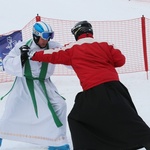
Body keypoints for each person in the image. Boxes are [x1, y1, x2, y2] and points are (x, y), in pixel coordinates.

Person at [27, 20, 150, 150]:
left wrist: (31, 54)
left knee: (77, 119)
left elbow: (52, 55)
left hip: (94, 90)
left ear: (77, 33)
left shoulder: (72, 48)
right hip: (116, 88)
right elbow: (120, 60)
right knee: (127, 119)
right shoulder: (105, 44)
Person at [0, 21, 70, 150]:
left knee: (60, 105)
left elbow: (67, 57)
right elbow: (7, 64)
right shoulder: (22, 46)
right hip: (24, 85)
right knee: (11, 111)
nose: (46, 40)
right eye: (44, 37)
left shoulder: (53, 46)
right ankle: (2, 134)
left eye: (49, 37)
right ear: (36, 36)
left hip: (44, 84)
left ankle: (57, 142)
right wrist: (21, 57)